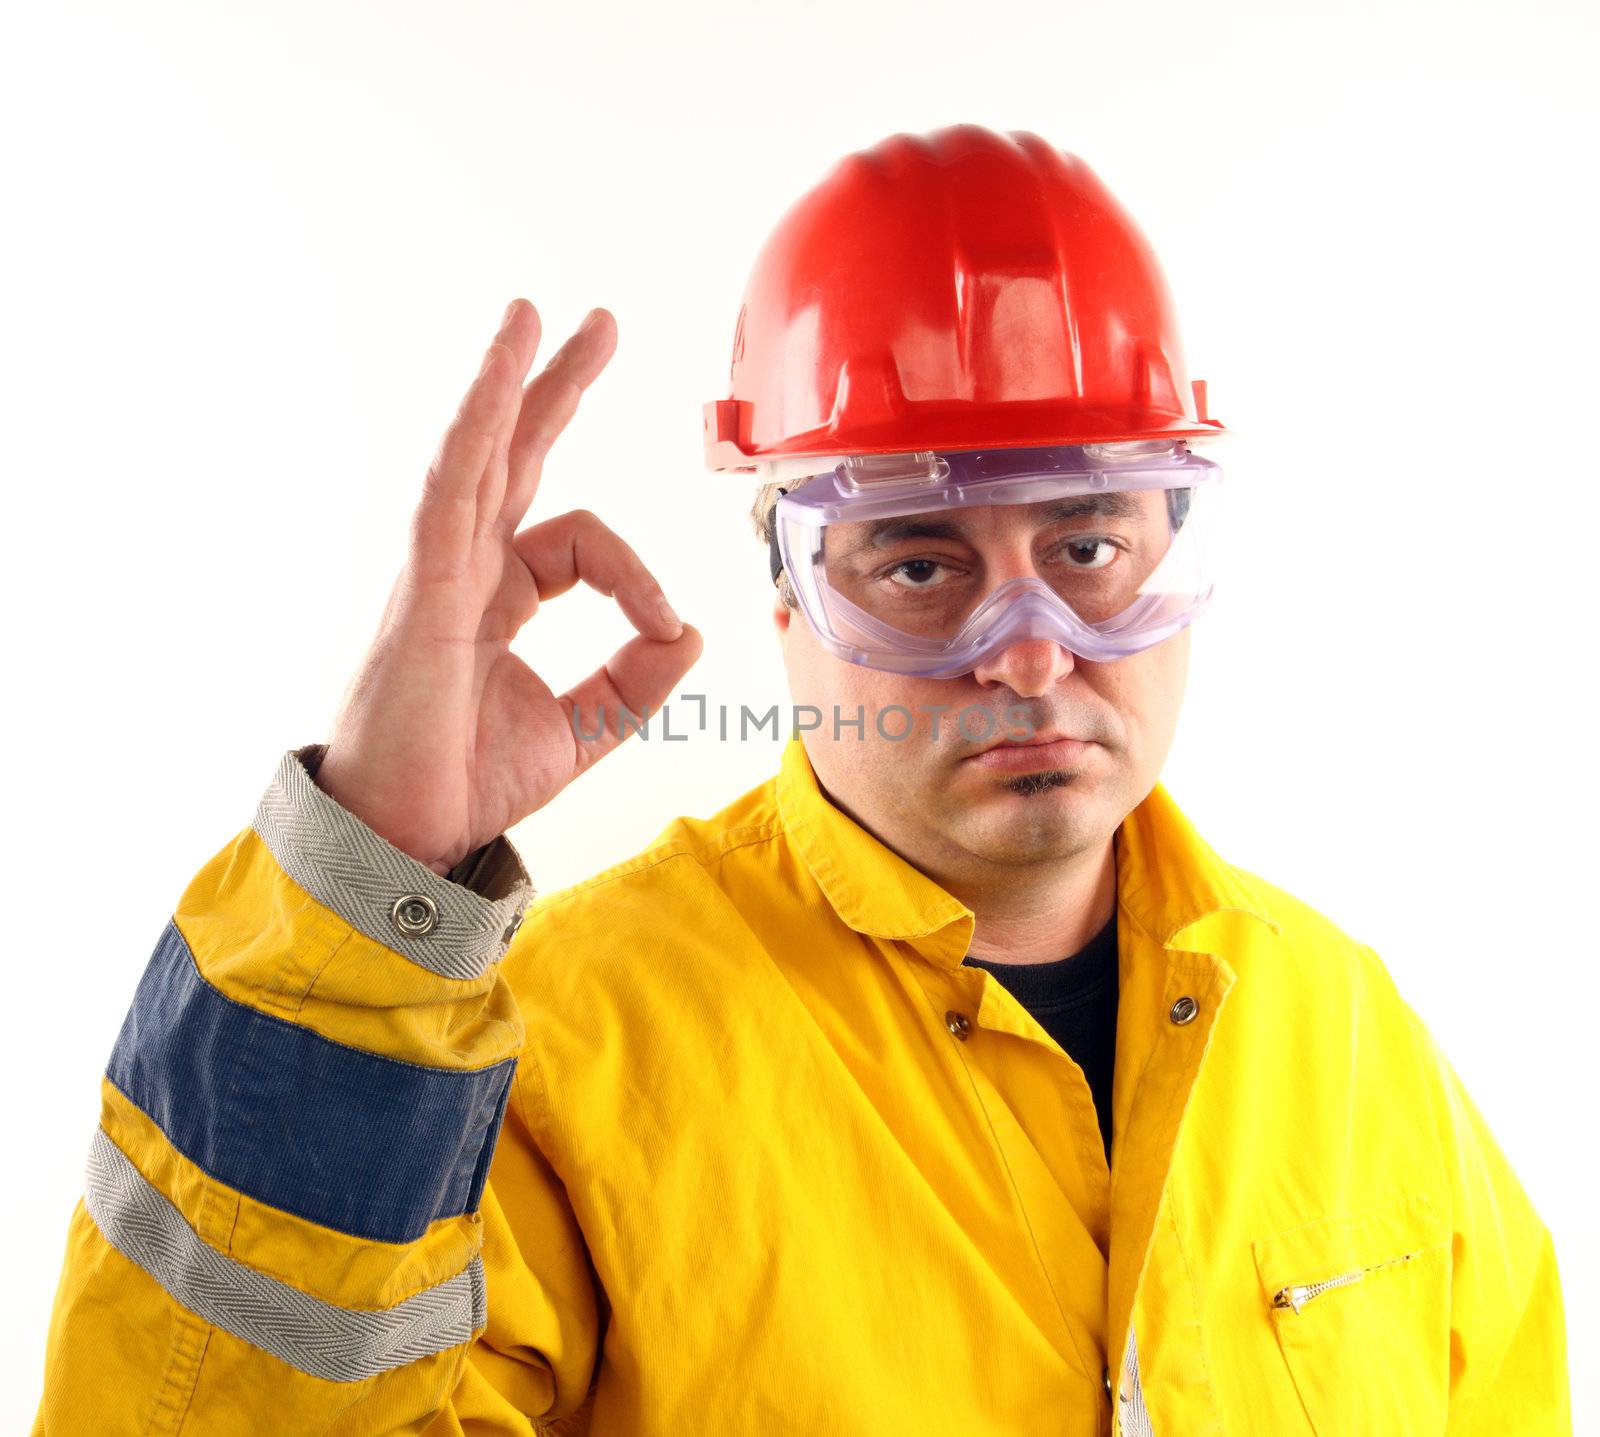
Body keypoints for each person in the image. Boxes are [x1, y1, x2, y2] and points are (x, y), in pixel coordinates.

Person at [35, 125, 1568, 1436]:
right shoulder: (554, 1054)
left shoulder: (1349, 1035)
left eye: (1089, 550)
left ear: (1182, 551)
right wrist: (362, 882)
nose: (1029, 655)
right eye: (919, 562)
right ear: (785, 591)